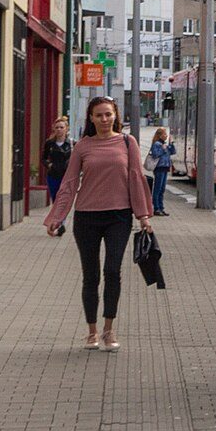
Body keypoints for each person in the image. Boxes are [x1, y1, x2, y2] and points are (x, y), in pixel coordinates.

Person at [43, 96, 152, 351]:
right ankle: (91, 331)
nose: (104, 119)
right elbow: (70, 183)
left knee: (112, 270)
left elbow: (136, 177)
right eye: (99, 115)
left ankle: (109, 330)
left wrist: (143, 215)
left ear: (115, 115)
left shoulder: (127, 142)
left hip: (119, 216)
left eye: (108, 114)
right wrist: (57, 217)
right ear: (91, 118)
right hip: (87, 217)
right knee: (90, 275)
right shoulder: (83, 146)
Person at [42, 116, 74, 203]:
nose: (59, 129)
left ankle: (62, 213)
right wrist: (49, 165)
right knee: (55, 199)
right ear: (54, 129)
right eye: (57, 127)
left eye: (61, 127)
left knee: (64, 200)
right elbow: (44, 158)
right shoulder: (49, 143)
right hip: (53, 175)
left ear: (66, 129)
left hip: (66, 176)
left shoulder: (71, 143)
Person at [146, 127, 175, 216]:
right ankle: (156, 208)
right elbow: (155, 154)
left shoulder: (164, 144)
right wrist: (163, 149)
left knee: (162, 189)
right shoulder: (157, 144)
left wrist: (171, 144)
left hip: (165, 168)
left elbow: (173, 152)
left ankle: (161, 208)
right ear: (160, 135)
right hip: (159, 168)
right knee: (158, 188)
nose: (166, 136)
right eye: (164, 134)